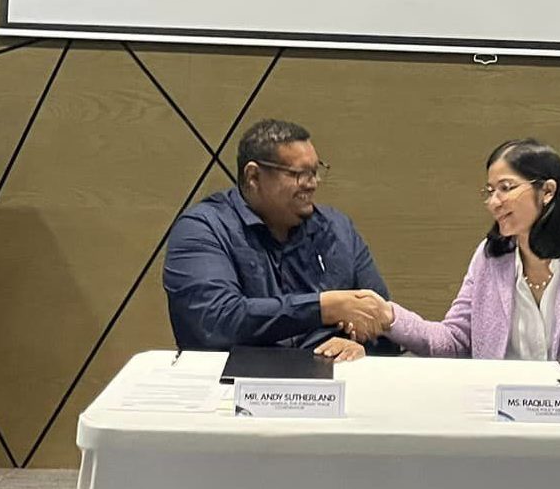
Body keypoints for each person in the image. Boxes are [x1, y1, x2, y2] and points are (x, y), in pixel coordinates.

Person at [378, 139, 560, 359]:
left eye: (506, 188)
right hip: (499, 408)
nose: (494, 202)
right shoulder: (489, 257)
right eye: (490, 191)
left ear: (547, 191)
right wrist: (390, 317)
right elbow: (455, 341)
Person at [163, 119, 393, 361]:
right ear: (253, 176)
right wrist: (323, 308)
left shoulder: (337, 229)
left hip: (327, 387)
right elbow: (215, 322)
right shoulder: (204, 228)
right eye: (300, 174)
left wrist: (361, 348)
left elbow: (384, 321)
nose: (313, 184)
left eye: (315, 172)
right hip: (232, 386)